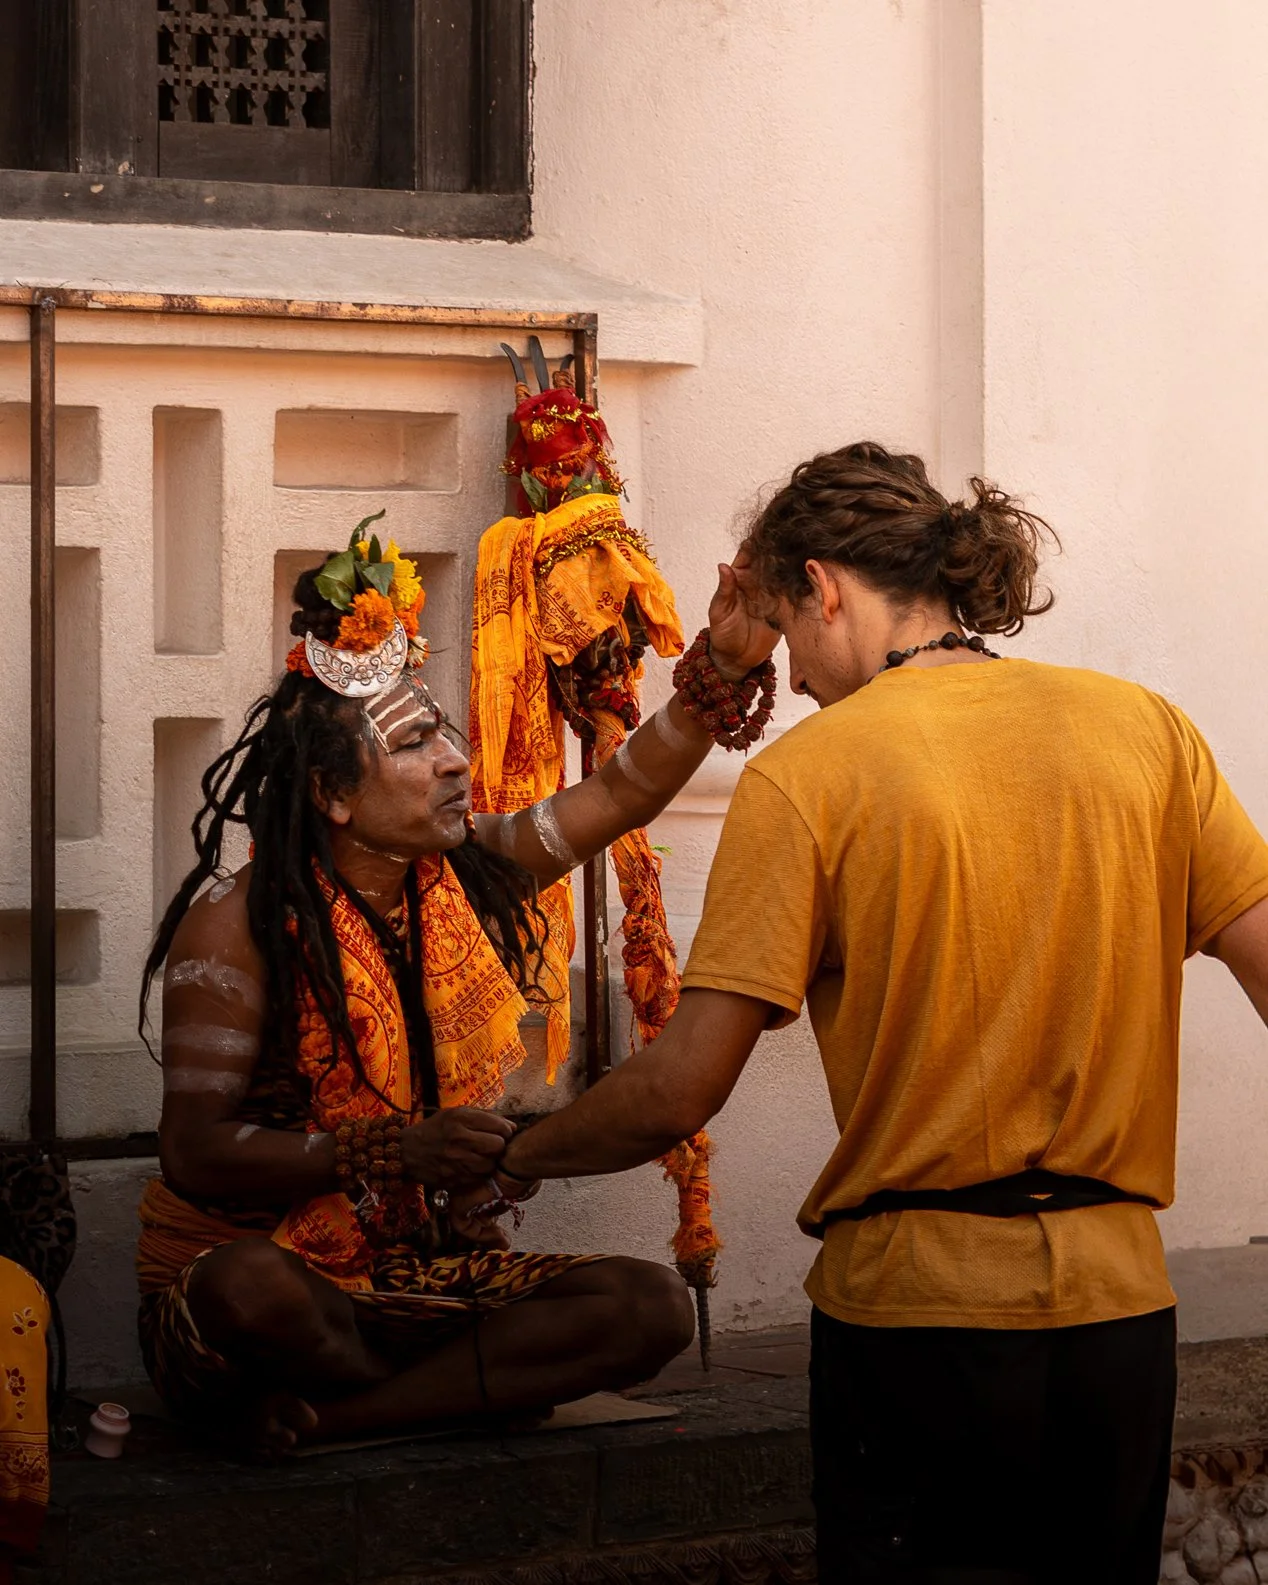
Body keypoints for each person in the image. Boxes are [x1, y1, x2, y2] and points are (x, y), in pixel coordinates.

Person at [488, 442, 1268, 1584]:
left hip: (918, 1322)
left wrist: (519, 1153)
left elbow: (677, 1089)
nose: (794, 677)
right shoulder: (1143, 731)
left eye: (790, 632)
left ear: (824, 585)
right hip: (1116, 1315)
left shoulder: (813, 777)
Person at [135, 529, 776, 1454]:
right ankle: (458, 1391)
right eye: (412, 743)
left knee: (647, 1307)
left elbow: (622, 794)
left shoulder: (467, 869)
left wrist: (720, 661)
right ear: (333, 793)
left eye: (442, 730)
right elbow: (195, 1155)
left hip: (423, 1277)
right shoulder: (234, 927)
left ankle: (343, 1418)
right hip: (274, 1288)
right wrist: (391, 1152)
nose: (452, 759)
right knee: (247, 1288)